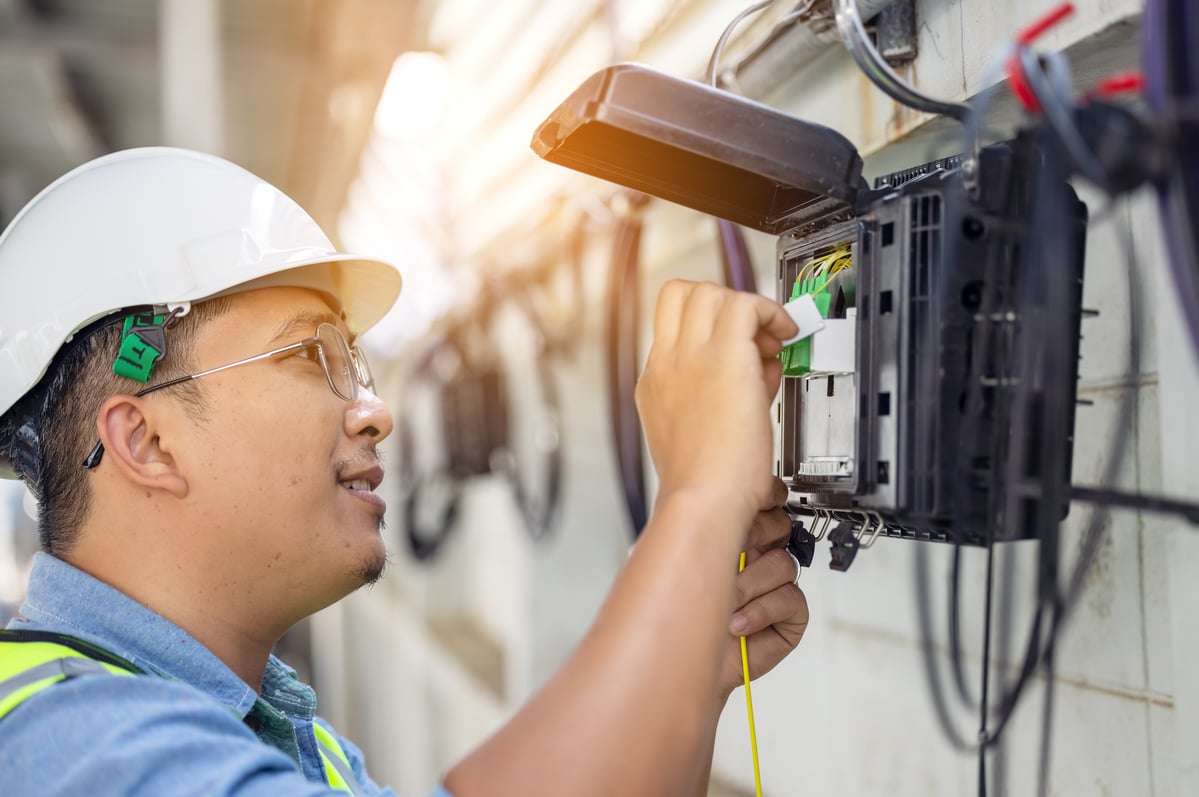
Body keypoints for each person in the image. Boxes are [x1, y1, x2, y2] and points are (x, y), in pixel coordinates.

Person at [0, 147, 807, 796]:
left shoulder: (283, 738)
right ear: (146, 442)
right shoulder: (71, 746)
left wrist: (690, 661)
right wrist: (699, 499)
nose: (374, 410)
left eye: (353, 361)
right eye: (312, 354)